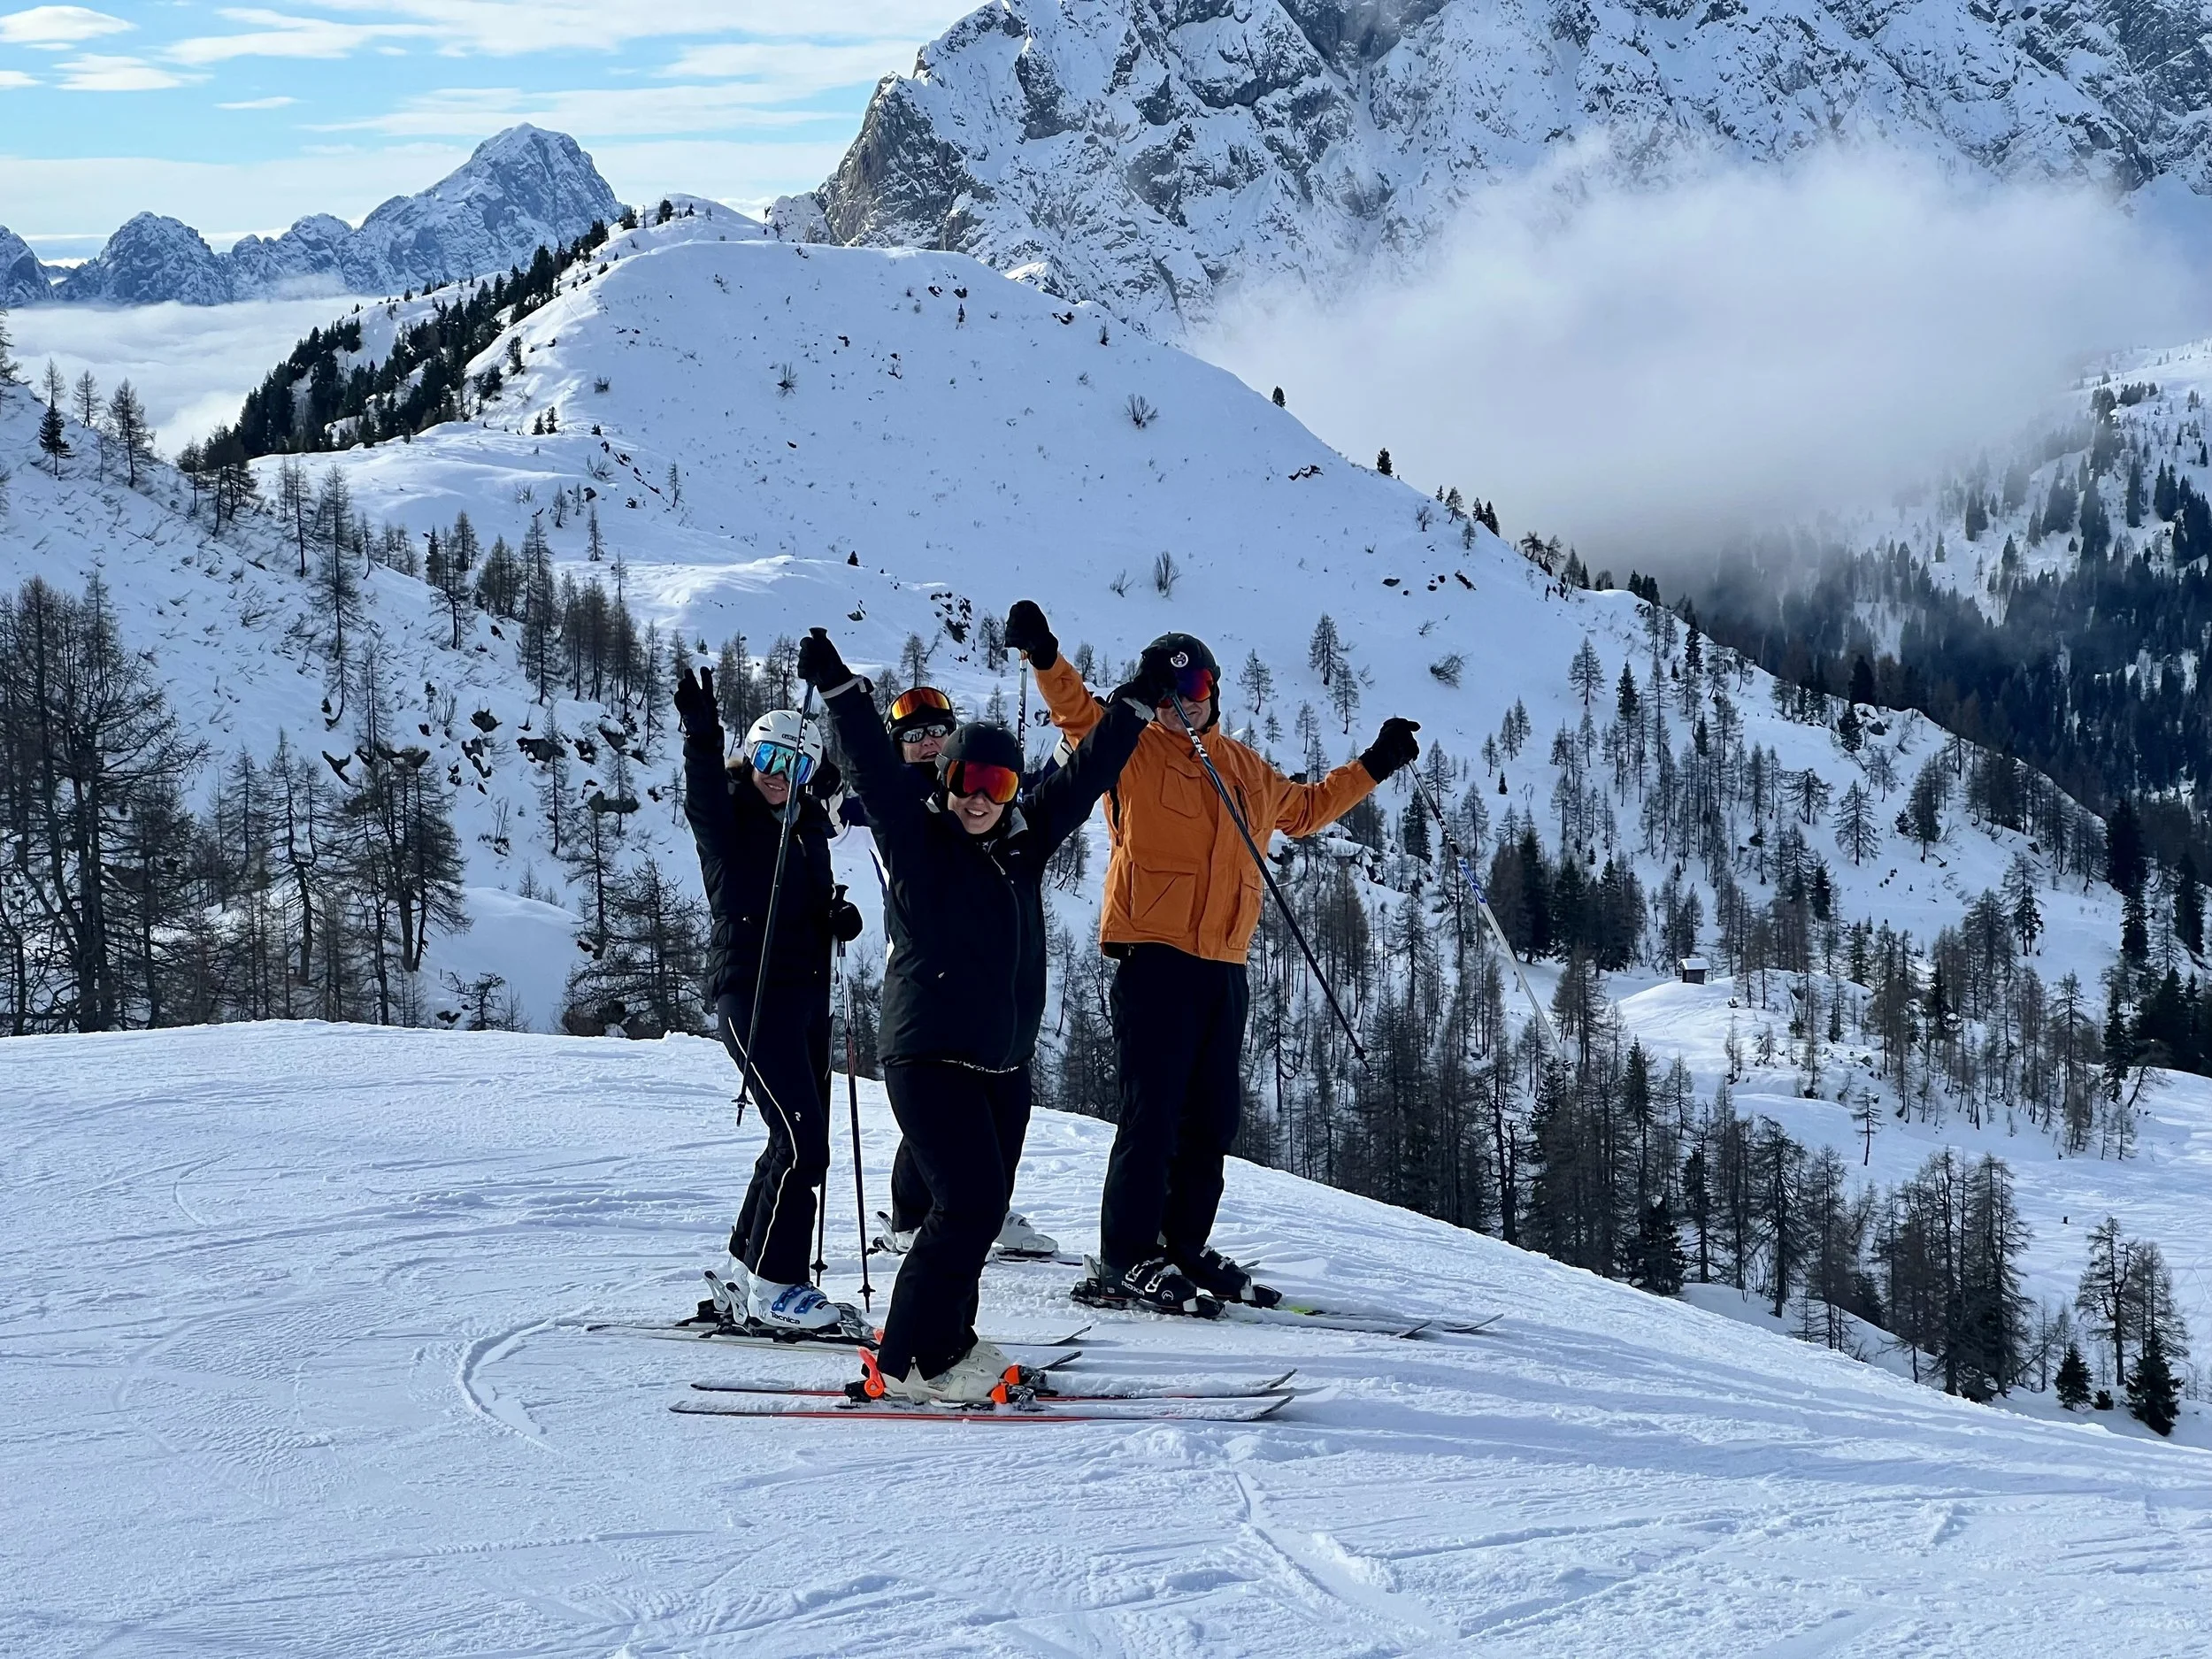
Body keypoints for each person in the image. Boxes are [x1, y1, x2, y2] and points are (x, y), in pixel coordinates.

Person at [1006, 602, 1420, 1313]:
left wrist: (1376, 763)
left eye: (1192, 688)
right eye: (1166, 691)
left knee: (1211, 1117)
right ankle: (1127, 1254)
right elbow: (1077, 715)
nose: (1181, 703)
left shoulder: (1244, 769)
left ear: (1212, 693)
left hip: (1224, 962)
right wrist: (1045, 655)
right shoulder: (1130, 747)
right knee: (1153, 1113)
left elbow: (1309, 806)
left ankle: (1182, 1244)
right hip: (1154, 957)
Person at [797, 621, 1160, 1402]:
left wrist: (1137, 697)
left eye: (996, 787)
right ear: (948, 779)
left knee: (979, 1208)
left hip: (1001, 1064)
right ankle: (906, 1364)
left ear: (1012, 791)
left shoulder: (1026, 843)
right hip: (927, 1056)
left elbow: (1091, 770)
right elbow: (867, 755)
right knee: (963, 1208)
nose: (976, 800)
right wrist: (838, 688)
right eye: (965, 783)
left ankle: (949, 1345)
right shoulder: (920, 835)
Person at [675, 667, 864, 1333]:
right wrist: (703, 737)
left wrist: (835, 914)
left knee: (789, 1140)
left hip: (805, 997)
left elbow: (808, 903)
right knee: (803, 1142)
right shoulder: (729, 818)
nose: (780, 772)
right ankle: (777, 1284)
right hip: (752, 996)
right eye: (769, 757)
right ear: (752, 755)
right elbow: (701, 797)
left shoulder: (809, 828)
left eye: (796, 762)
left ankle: (744, 1267)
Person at [866, 685, 1059, 1263]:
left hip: (981, 966)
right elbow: (867, 787)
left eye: (936, 731)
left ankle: (975, 1201)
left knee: (965, 1097)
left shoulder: (976, 783)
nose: (927, 742)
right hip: (925, 958)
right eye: (913, 736)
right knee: (935, 1090)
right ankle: (927, 1211)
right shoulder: (910, 800)